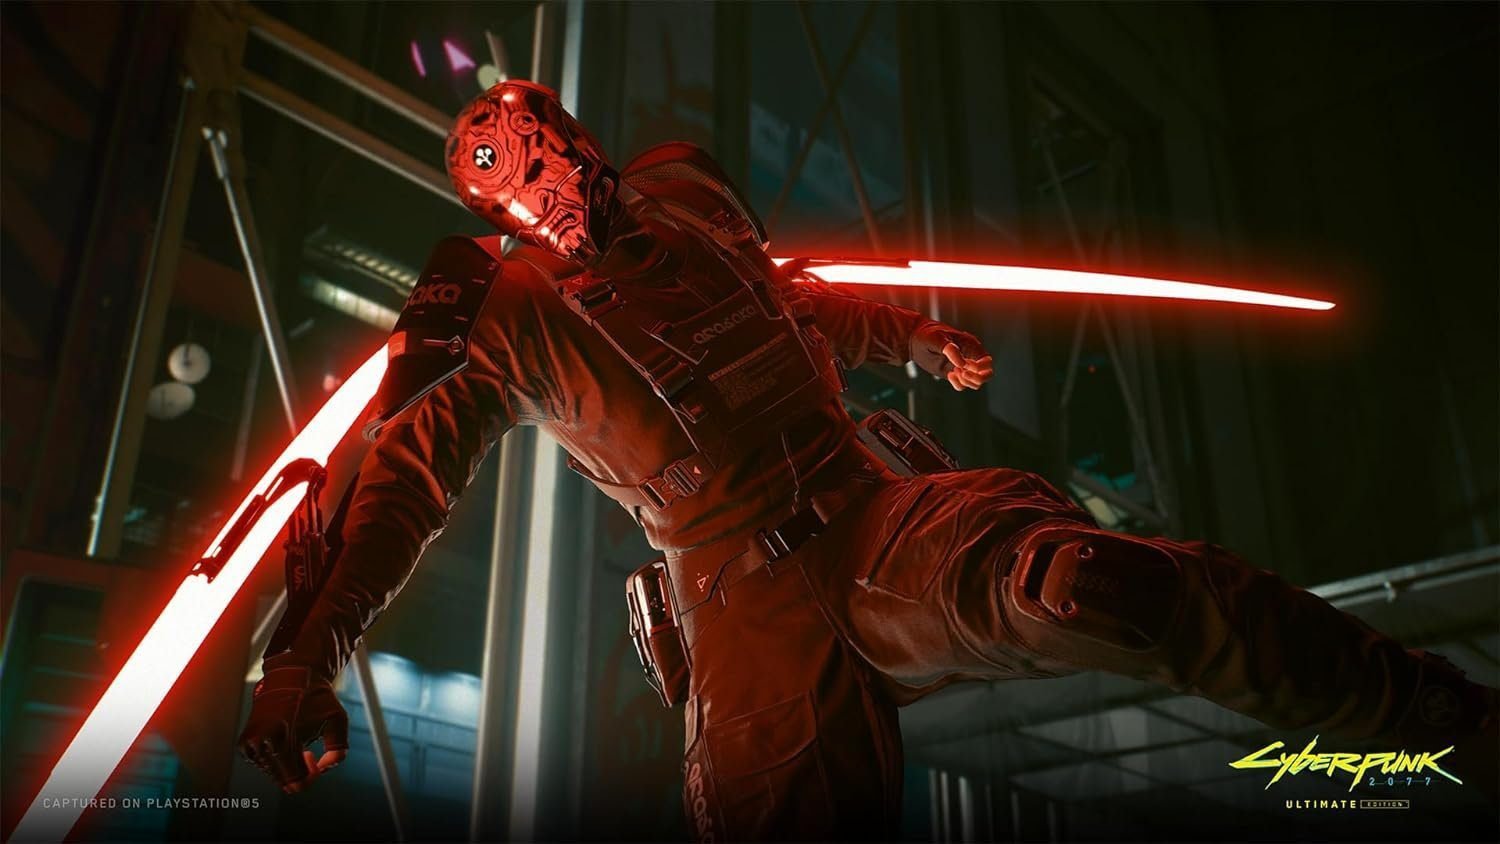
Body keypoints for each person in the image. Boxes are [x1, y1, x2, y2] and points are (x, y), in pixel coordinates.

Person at [238, 80, 1496, 840]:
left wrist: (909, 338)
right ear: (500, 210)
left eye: (552, 162)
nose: (556, 199)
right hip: (745, 614)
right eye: (525, 192)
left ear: (572, 138)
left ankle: (1441, 712)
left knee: (1107, 584)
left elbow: (789, 303)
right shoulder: (504, 310)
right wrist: (308, 649)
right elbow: (404, 480)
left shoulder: (687, 200)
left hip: (871, 517)